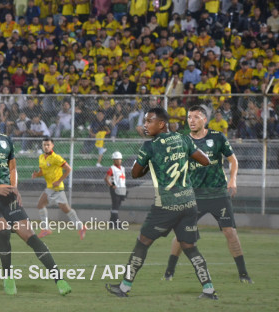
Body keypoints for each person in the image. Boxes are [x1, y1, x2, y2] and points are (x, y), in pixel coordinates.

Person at [0, 101, 72, 296]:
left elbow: (12, 167)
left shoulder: (6, 141)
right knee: (3, 230)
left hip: (8, 197)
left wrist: (14, 187)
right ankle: (8, 276)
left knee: (30, 236)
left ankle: (59, 279)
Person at [106, 107, 217, 299]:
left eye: (149, 121)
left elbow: (135, 173)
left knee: (143, 242)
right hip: (189, 203)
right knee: (189, 247)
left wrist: (150, 165)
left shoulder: (151, 146)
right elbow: (205, 160)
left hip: (166, 205)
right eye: (145, 121)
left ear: (161, 124)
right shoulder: (183, 139)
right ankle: (209, 290)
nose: (145, 125)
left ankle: (124, 288)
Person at [162, 106, 251, 283]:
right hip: (194, 196)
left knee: (230, 232)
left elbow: (233, 160)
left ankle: (243, 274)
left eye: (196, 117)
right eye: (189, 117)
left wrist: (232, 180)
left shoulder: (217, 137)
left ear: (205, 120)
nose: (191, 120)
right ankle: (169, 272)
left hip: (218, 194)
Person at [31, 138, 86, 239]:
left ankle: (80, 227)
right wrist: (37, 174)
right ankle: (46, 229)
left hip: (57, 188)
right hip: (49, 188)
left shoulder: (56, 157)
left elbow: (68, 169)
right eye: (44, 145)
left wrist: (59, 181)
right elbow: (42, 171)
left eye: (48, 145)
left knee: (65, 209)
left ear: (52, 146)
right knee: (40, 205)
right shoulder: (41, 157)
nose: (46, 147)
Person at [104, 151, 127, 228]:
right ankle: (117, 224)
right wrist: (112, 186)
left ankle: (111, 224)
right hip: (115, 190)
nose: (119, 161)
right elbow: (106, 178)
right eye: (117, 159)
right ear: (114, 160)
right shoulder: (112, 168)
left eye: (120, 159)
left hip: (122, 189)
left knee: (116, 206)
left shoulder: (123, 168)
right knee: (115, 207)